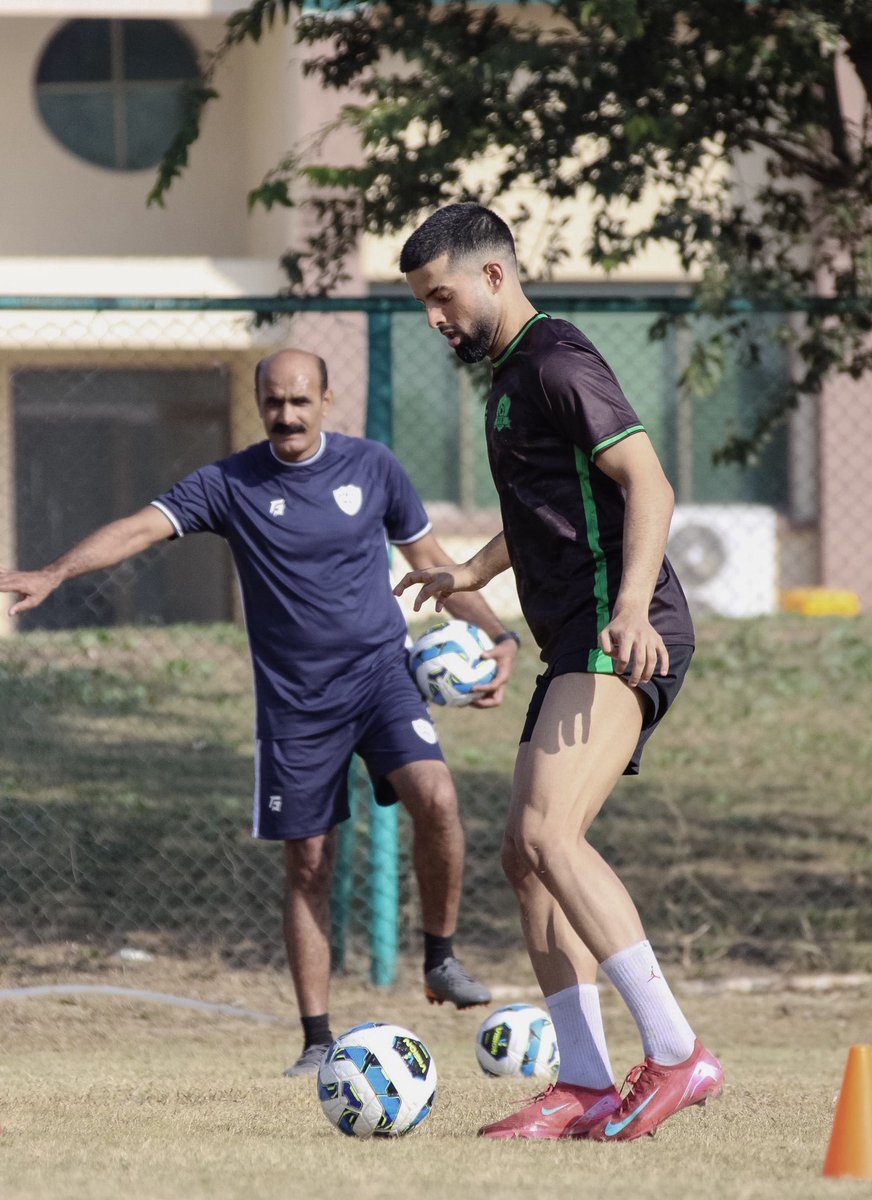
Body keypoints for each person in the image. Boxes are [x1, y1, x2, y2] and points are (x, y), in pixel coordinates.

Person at [0, 348, 520, 1078]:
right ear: (259, 403)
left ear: (326, 401)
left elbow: (434, 562)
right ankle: (315, 1040)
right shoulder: (229, 483)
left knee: (436, 797)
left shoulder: (373, 468)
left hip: (382, 677)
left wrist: (500, 635)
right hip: (296, 704)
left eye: (300, 402)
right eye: (274, 402)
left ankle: (439, 956)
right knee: (308, 863)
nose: (287, 415)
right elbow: (138, 529)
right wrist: (54, 571)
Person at [395, 203, 724, 1142]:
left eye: (442, 297)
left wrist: (627, 607)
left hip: (620, 631)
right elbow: (549, 508)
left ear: (493, 276)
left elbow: (646, 481)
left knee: (546, 835)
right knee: (525, 854)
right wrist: (469, 572)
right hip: (576, 636)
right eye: (423, 303)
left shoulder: (555, 359)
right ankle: (580, 1082)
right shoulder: (510, 378)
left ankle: (674, 1054)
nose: (435, 319)